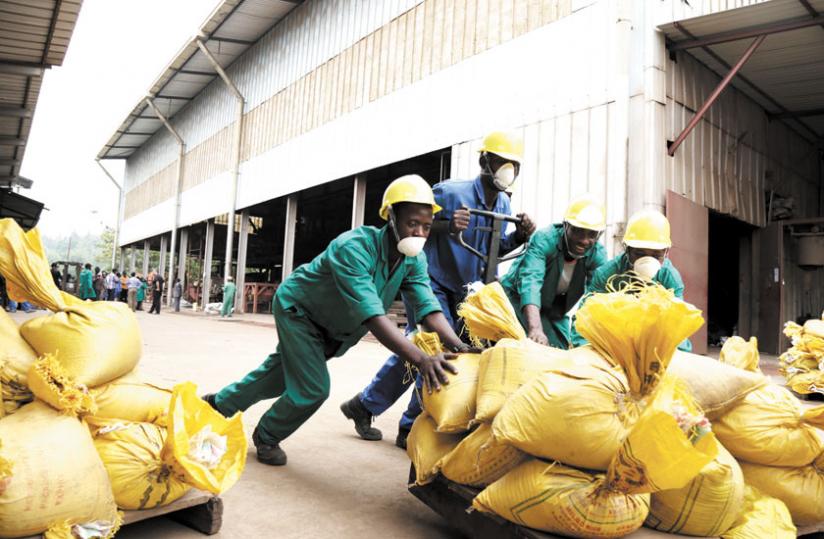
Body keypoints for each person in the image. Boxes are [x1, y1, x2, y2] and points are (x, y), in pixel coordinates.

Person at [203, 176, 475, 467]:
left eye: (426, 226)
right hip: (301, 312)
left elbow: (428, 307)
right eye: (412, 224)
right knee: (313, 388)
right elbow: (372, 315)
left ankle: (218, 405)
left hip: (332, 327)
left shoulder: (414, 260)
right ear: (391, 217)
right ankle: (267, 435)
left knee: (279, 375)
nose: (419, 233)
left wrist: (459, 345)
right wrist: (421, 359)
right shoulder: (354, 247)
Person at [341, 131, 536, 449]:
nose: (507, 170)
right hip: (432, 283)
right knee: (434, 352)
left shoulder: (503, 203)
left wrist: (518, 236)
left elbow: (494, 250)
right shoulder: (448, 193)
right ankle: (410, 427)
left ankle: (364, 405)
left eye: (513, 165)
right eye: (501, 162)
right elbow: (413, 228)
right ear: (484, 161)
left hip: (468, 293)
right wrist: (446, 224)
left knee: (428, 353)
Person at [570, 209, 692, 352]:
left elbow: (677, 326)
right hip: (615, 340)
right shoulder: (607, 275)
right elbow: (584, 318)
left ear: (666, 253)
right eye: (639, 254)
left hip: (652, 344)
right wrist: (584, 349)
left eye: (656, 255)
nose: (647, 262)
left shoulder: (669, 278)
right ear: (627, 250)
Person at [500, 196, 608, 349]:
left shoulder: (597, 254)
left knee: (562, 349)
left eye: (591, 235)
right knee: (534, 345)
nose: (584, 241)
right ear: (565, 226)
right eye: (578, 231)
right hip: (517, 298)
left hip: (553, 310)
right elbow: (531, 282)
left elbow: (596, 299)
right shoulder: (544, 239)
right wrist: (535, 329)